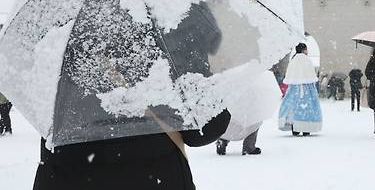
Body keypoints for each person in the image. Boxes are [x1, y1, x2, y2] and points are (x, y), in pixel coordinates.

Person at [33, 110, 231, 190]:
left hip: (67, 174)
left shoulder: (54, 44)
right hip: (154, 175)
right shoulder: (162, 39)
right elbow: (206, 129)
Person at [278, 43, 322, 136]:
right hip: (307, 88)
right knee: (307, 107)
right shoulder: (307, 60)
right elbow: (311, 74)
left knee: (293, 107)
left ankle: (295, 128)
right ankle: (306, 128)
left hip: (294, 88)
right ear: (304, 50)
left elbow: (290, 74)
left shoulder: (293, 60)